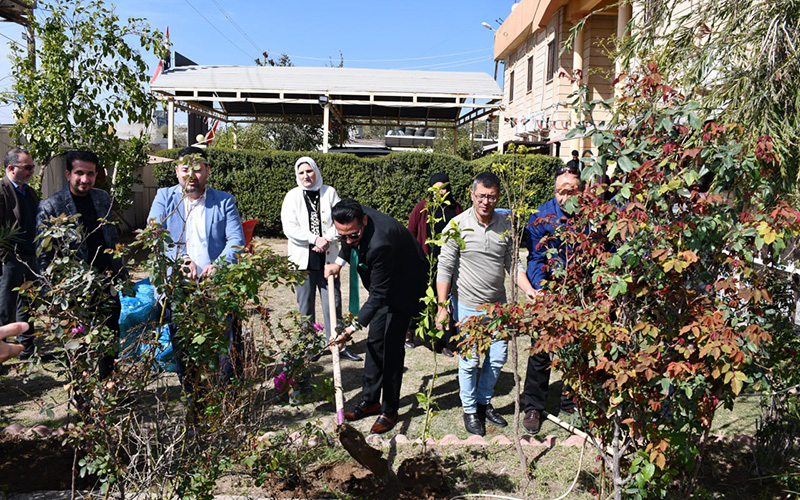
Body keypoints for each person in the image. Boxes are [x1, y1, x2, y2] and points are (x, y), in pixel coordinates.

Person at [436, 171, 537, 436]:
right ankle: (469, 409)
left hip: (498, 307)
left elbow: (513, 264)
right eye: (481, 196)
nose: (485, 201)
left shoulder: (506, 225)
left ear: (498, 197)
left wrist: (528, 289)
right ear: (472, 195)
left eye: (491, 197)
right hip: (468, 306)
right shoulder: (457, 226)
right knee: (469, 361)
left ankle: (483, 402)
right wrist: (442, 305)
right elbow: (444, 268)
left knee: (497, 358)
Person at [325, 199, 427, 434]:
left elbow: (379, 294)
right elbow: (348, 240)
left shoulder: (381, 243)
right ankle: (370, 400)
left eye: (353, 235)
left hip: (405, 285)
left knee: (391, 346)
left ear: (365, 221)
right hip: (384, 284)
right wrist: (339, 263)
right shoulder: (352, 216)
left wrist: (350, 329)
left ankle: (390, 410)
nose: (349, 241)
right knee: (374, 342)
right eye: (343, 236)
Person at [147, 146, 245, 389]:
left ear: (208, 171)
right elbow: (154, 233)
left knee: (226, 343)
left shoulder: (224, 201)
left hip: (216, 285)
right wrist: (180, 258)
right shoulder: (164, 197)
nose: (191, 175)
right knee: (183, 345)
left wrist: (219, 265)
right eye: (185, 169)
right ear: (177, 171)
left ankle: (226, 395)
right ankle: (193, 394)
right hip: (178, 286)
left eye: (198, 169)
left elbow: (236, 240)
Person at [37, 150, 124, 379]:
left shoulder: (102, 198)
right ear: (68, 174)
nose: (84, 179)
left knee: (110, 338)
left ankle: (109, 388)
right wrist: (52, 292)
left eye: (90, 174)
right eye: (79, 173)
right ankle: (81, 395)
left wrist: (119, 272)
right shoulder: (51, 206)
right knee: (76, 344)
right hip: (74, 288)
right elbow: (44, 256)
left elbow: (111, 237)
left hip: (106, 282)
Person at [280, 156, 361, 362]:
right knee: (305, 306)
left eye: (309, 171)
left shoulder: (329, 192)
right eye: (301, 173)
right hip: (302, 260)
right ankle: (308, 349)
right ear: (297, 175)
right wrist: (314, 239)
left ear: (315, 171)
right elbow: (290, 227)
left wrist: (327, 239)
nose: (306, 176)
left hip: (327, 258)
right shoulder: (292, 196)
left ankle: (338, 345)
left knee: (333, 304)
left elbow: (340, 220)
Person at [522, 163, 582, 434]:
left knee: (577, 346)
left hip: (580, 291)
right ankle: (533, 404)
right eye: (560, 191)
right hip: (550, 289)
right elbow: (535, 257)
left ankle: (572, 399)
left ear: (581, 190)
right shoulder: (542, 216)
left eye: (570, 191)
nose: (564, 197)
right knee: (541, 349)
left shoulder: (592, 216)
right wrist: (539, 288)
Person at [406, 172, 463, 355]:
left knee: (445, 300)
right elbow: (411, 233)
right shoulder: (422, 208)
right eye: (436, 188)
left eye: (444, 187)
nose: (441, 192)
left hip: (448, 264)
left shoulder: (456, 209)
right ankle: (410, 332)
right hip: (426, 262)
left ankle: (443, 341)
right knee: (420, 298)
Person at [0, 148, 39, 358]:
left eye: (32, 167)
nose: (31, 171)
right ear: (11, 168)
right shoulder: (2, 191)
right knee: (4, 308)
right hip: (10, 259)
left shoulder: (29, 192)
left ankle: (27, 349)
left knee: (28, 304)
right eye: (27, 167)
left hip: (29, 257)